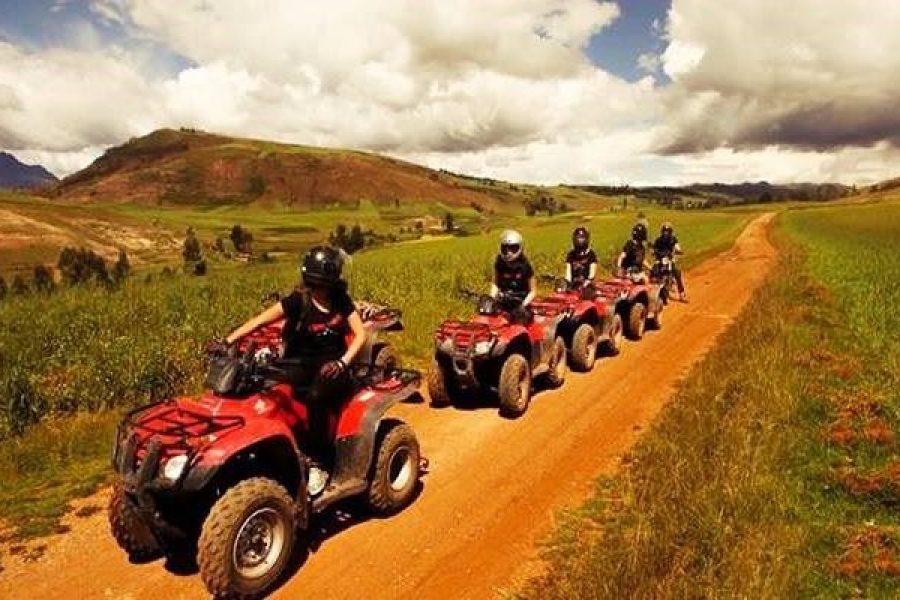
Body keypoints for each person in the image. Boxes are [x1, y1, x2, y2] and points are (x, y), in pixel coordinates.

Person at [224, 245, 368, 496]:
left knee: (316, 398)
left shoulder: (341, 301)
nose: (319, 289)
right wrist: (227, 341)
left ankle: (320, 461)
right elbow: (260, 320)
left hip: (333, 366)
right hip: (300, 364)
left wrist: (343, 363)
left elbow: (361, 334)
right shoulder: (298, 300)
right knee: (265, 388)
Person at [491, 229, 537, 322]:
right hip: (504, 301)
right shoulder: (499, 264)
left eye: (513, 248)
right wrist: (491, 299)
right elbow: (495, 284)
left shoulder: (525, 266)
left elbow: (533, 291)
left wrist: (523, 305)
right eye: (505, 248)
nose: (509, 252)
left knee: (519, 320)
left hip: (520, 302)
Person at [652, 222, 687, 301]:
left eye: (667, 231)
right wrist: (654, 252)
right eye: (664, 231)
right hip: (660, 259)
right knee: (653, 271)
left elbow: (677, 246)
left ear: (670, 232)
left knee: (677, 272)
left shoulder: (673, 239)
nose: (665, 233)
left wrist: (678, 250)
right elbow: (654, 248)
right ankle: (651, 292)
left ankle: (681, 293)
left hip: (670, 259)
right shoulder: (658, 240)